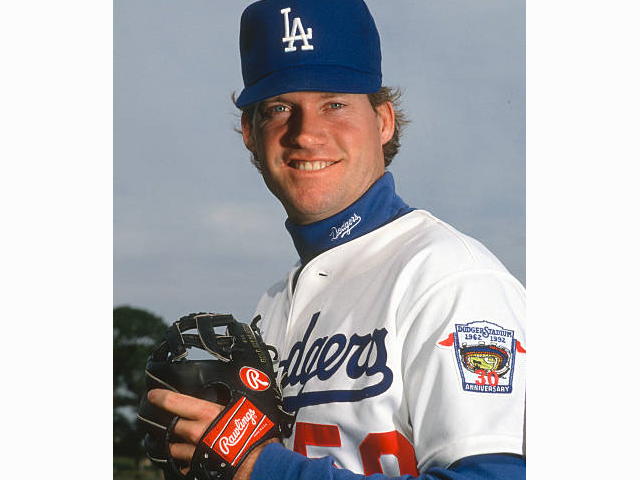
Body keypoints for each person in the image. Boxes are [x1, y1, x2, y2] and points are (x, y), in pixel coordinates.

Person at [147, 1, 526, 478]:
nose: (306, 134)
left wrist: (261, 469)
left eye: (335, 104)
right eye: (280, 108)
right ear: (250, 133)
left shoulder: (451, 278)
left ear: (384, 121)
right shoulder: (275, 304)